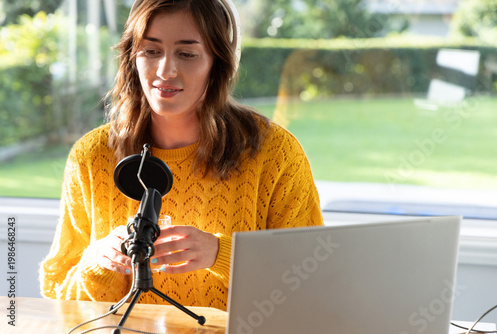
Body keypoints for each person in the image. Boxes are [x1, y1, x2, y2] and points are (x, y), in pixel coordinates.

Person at [39, 0, 323, 311]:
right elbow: (58, 297)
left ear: (218, 62)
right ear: (131, 56)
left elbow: (314, 283)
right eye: (150, 51)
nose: (165, 71)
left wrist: (221, 253)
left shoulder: (274, 152)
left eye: (187, 54)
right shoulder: (91, 157)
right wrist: (98, 263)